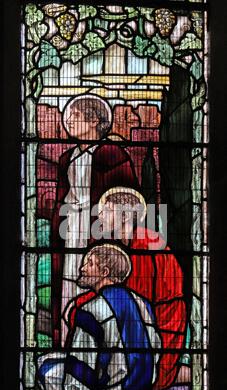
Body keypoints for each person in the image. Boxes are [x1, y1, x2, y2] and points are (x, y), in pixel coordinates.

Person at [65, 187, 189, 390]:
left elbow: (135, 299)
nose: (100, 215)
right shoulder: (113, 244)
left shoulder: (149, 245)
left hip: (159, 327)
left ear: (124, 215)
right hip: (132, 320)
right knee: (76, 308)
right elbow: (115, 291)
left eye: (106, 210)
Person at [36, 244, 161, 390]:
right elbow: (155, 348)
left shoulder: (92, 311)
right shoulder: (142, 304)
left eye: (90, 264)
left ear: (104, 272)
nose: (82, 268)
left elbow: (83, 364)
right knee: (59, 358)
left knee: (44, 365)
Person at [51, 94, 139, 346]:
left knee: (96, 279)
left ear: (94, 121)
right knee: (70, 279)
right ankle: (70, 341)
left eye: (76, 116)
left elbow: (127, 199)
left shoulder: (112, 154)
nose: (68, 121)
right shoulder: (66, 158)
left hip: (98, 229)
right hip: (71, 227)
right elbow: (62, 196)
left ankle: (100, 344)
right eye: (69, 115)